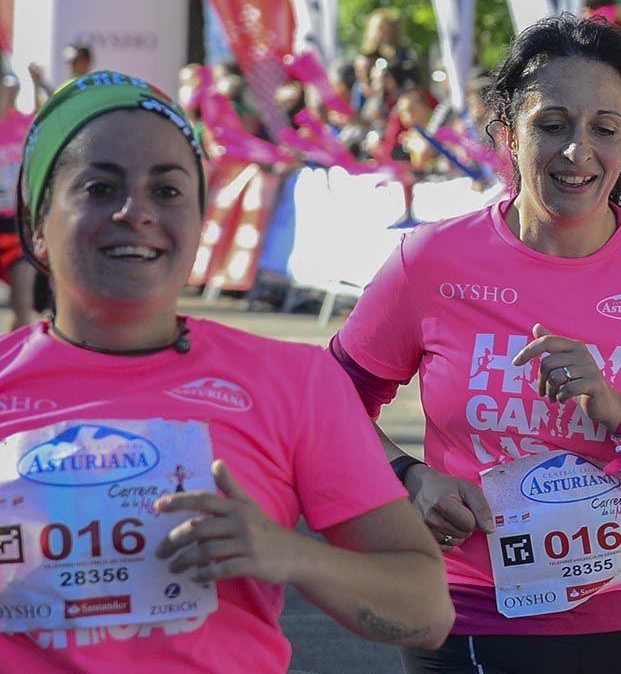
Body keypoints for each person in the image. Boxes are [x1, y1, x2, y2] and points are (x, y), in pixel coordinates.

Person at [330, 15, 621, 674]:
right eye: (551, 124)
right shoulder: (432, 261)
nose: (577, 152)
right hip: (472, 617)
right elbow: (322, 406)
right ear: (507, 132)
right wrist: (409, 479)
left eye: (604, 129)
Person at [0, 71, 453, 672]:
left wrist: (289, 555)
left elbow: (426, 609)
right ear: (36, 223)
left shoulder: (293, 384)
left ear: (198, 221)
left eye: (167, 192)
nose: (135, 212)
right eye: (99, 187)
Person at [0, 71, 35, 329]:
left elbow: (50, 114)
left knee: (23, 304)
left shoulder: (24, 124)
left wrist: (38, 82)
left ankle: (14, 364)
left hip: (16, 228)